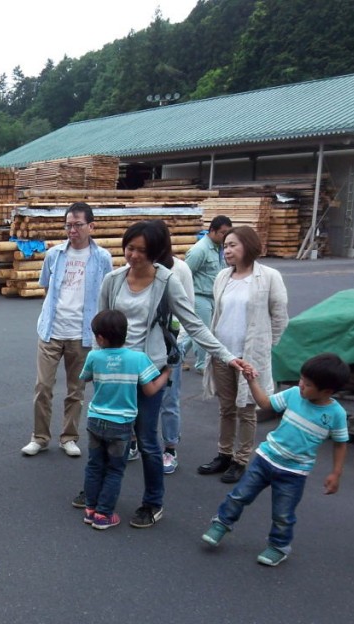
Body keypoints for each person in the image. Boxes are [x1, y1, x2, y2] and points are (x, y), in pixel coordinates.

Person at [89, 220, 249, 529]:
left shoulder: (166, 281)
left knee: (148, 441)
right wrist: (98, 363)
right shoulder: (113, 279)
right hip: (115, 372)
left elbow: (193, 324)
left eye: (142, 251)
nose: (133, 256)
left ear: (157, 252)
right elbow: (100, 325)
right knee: (106, 435)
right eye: (130, 248)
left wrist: (227, 357)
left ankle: (153, 503)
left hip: (148, 371)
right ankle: (97, 495)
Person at [201, 353, 349, 567]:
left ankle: (279, 546)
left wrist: (336, 473)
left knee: (283, 514)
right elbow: (265, 403)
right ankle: (221, 523)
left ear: (327, 391)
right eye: (301, 380)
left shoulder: (336, 414)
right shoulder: (293, 394)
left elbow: (340, 443)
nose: (300, 385)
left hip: (294, 473)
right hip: (265, 459)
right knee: (239, 495)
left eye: (307, 384)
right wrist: (251, 381)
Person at [22, 202, 114, 460]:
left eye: (77, 225)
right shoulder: (55, 254)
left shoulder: (102, 258)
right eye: (68, 225)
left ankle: (69, 437)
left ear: (91, 226)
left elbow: (106, 295)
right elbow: (45, 288)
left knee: (76, 390)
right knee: (43, 386)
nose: (72, 230)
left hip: (83, 334)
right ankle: (39, 437)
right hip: (51, 330)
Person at [198, 226, 289, 485]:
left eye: (232, 245)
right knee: (226, 408)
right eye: (225, 245)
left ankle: (241, 459)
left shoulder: (269, 277)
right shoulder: (223, 277)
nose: (227, 250)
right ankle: (224, 454)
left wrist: (264, 347)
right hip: (223, 354)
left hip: (249, 356)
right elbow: (219, 314)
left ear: (247, 246)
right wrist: (218, 350)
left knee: (247, 410)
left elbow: (280, 317)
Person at [79, 310, 170, 530]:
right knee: (114, 470)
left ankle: (91, 509)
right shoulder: (137, 359)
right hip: (120, 426)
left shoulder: (94, 357)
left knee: (94, 465)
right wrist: (166, 374)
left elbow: (84, 377)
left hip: (95, 420)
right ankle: (104, 514)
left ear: (100, 338)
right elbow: (149, 390)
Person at [158, 252, 195, 474]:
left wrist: (179, 341)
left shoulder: (180, 269)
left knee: (169, 400)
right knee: (136, 396)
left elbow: (187, 309)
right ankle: (133, 441)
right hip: (143, 345)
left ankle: (170, 447)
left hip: (171, 343)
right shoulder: (135, 265)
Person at [185, 215, 233, 373]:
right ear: (212, 231)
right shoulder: (199, 250)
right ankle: (201, 364)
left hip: (214, 297)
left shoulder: (220, 248)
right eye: (223, 233)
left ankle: (176, 354)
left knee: (195, 331)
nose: (225, 237)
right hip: (200, 297)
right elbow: (185, 274)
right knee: (203, 332)